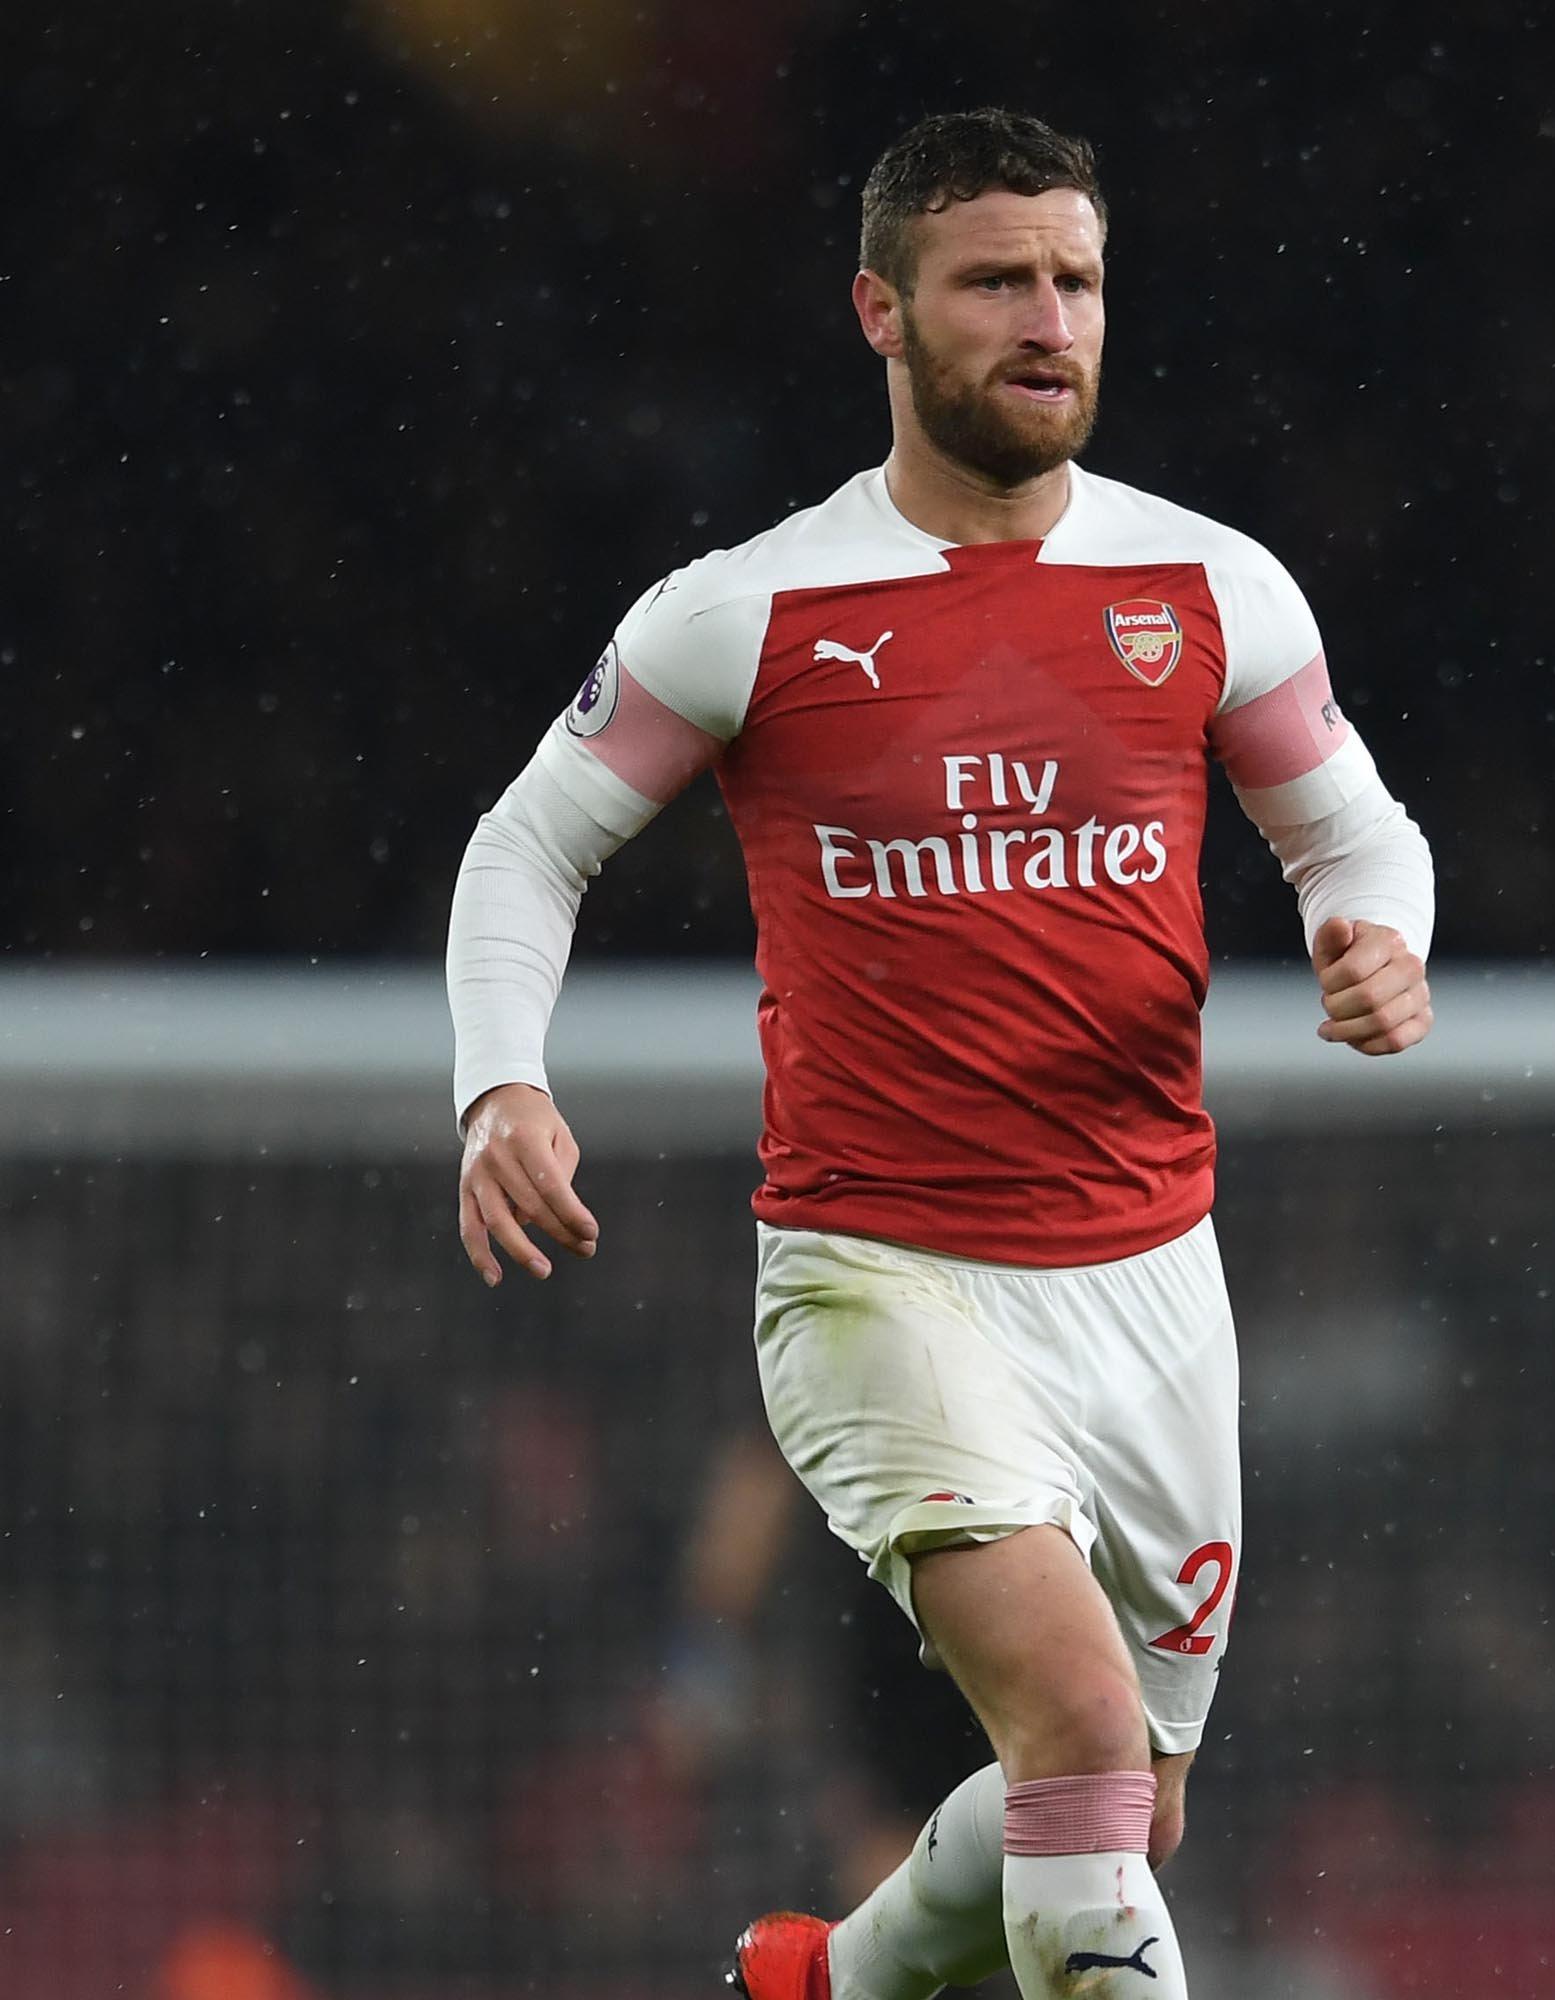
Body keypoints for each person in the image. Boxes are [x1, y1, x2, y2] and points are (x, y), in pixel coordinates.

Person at [447, 107, 1436, 2000]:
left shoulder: (1210, 587)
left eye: (1076, 280)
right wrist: (502, 1082)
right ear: (882, 313)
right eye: (995, 281)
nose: (1048, 320)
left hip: (1152, 1279)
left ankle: (830, 1981)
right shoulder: (747, 610)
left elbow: (1357, 834)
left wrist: (1378, 938)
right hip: (881, 1272)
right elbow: (527, 845)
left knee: (1126, 1814)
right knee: (1076, 1737)